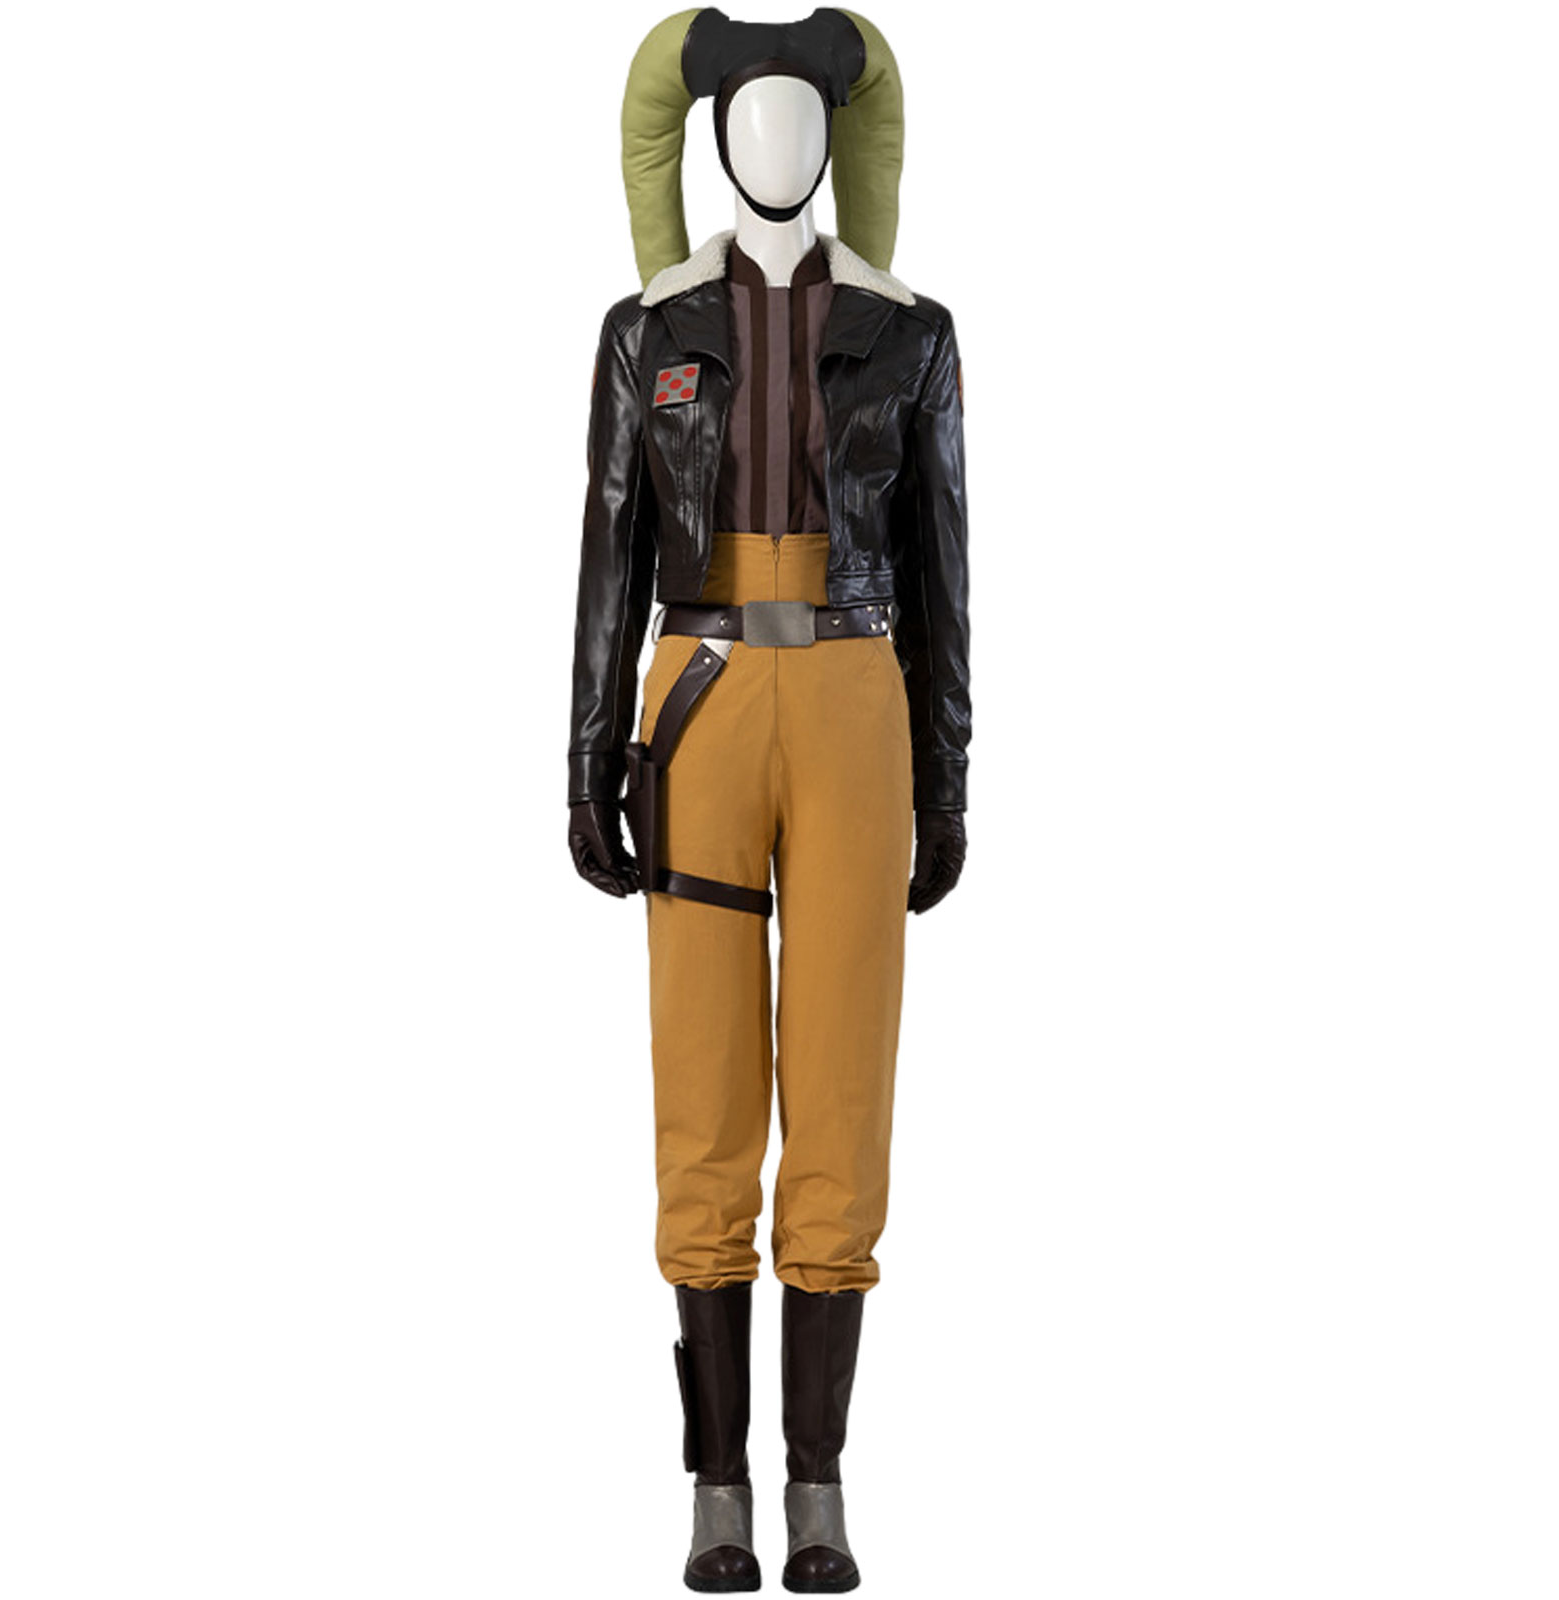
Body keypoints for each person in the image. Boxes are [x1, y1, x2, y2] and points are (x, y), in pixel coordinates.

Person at [565, 8, 970, 1590]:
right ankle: (714, 1486)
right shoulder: (645, 333)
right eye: (752, 110)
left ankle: (819, 1482)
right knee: (705, 1079)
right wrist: (585, 757)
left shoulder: (914, 335)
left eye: (808, 110)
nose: (781, 137)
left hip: (860, 696)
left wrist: (949, 775)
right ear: (713, 138)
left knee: (845, 1084)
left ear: (842, 138)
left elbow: (942, 568)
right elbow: (609, 552)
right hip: (702, 697)